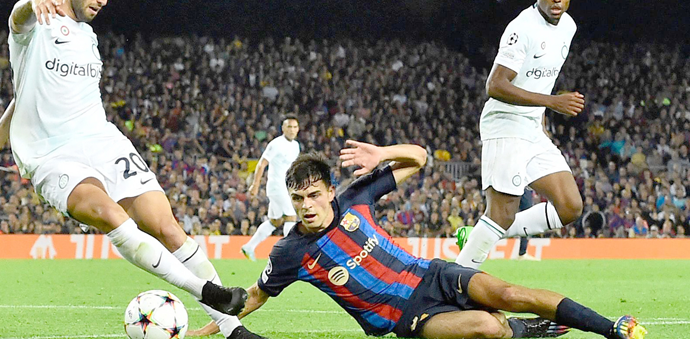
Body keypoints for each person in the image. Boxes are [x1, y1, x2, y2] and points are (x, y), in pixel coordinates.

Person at [0, 0, 263, 339]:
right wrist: (30, 0)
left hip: (102, 140)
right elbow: (17, 17)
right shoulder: (35, 22)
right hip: (52, 156)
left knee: (165, 224)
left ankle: (235, 332)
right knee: (111, 215)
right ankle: (209, 293)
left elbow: (24, 93)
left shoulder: (89, 38)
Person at [188, 141, 647, 339]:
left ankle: (611, 328)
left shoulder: (356, 198)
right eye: (297, 198)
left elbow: (420, 158)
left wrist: (383, 154)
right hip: (405, 316)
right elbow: (255, 294)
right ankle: (527, 331)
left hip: (433, 274)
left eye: (313, 195)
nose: (306, 205)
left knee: (512, 293)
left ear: (329, 190)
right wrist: (219, 320)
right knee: (490, 326)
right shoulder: (290, 252)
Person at [455, 0, 584, 269]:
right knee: (502, 211)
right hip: (506, 124)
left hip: (531, 127)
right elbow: (495, 85)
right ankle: (452, 282)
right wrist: (551, 102)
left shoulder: (568, 26)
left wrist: (541, 119)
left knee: (569, 206)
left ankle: (480, 233)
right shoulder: (521, 28)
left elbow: (541, 77)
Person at [241, 116, 301, 261]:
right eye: (289, 127)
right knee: (291, 217)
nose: (292, 130)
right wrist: (255, 185)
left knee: (276, 221)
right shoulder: (276, 144)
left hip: (286, 187)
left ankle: (249, 247)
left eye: (294, 127)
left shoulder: (295, 145)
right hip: (276, 186)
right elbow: (262, 164)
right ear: (283, 128)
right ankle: (290, 254)